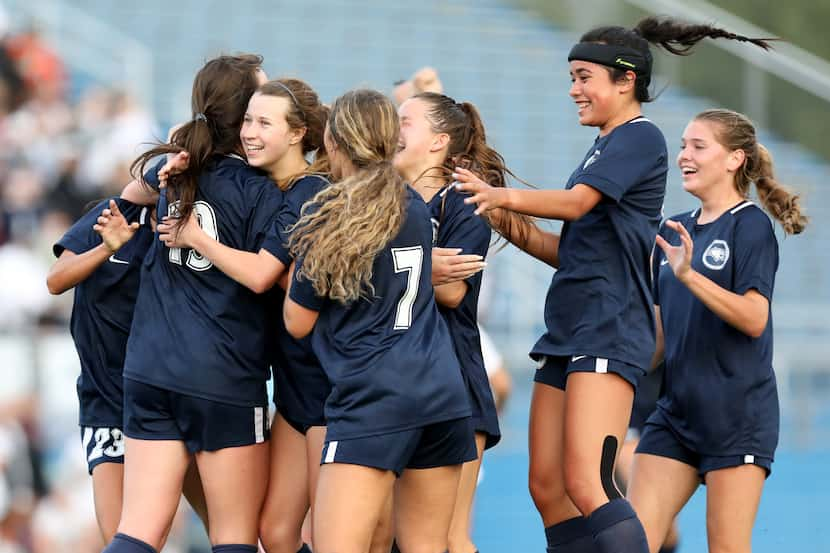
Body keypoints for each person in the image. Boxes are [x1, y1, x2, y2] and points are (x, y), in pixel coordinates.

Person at [454, 17, 773, 553]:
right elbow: (563, 249)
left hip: (607, 328)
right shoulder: (603, 146)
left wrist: (503, 196)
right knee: (548, 488)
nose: (574, 89)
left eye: (584, 77)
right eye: (573, 77)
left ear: (625, 80)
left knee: (588, 484)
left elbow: (576, 204)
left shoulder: (639, 137)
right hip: (569, 326)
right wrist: (487, 201)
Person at [96, 54, 280, 553]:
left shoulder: (171, 174)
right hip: (222, 375)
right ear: (244, 118)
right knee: (234, 539)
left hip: (151, 367)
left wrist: (166, 164)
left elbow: (129, 193)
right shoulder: (263, 190)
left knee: (137, 533)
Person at [283, 88, 476, 553]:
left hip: (373, 398)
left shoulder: (331, 215)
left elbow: (297, 322)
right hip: (441, 392)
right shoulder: (412, 204)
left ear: (332, 141)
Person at [157, 77, 331, 553]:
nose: (249, 132)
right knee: (274, 533)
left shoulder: (310, 192)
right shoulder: (262, 187)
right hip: (291, 380)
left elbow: (263, 275)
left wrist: (199, 240)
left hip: (328, 382)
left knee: (345, 537)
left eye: (264, 123)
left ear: (297, 134)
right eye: (247, 120)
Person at [627, 108, 807, 553]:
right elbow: (659, 339)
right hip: (675, 415)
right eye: (683, 145)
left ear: (734, 159)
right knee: (626, 544)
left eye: (698, 146)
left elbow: (754, 318)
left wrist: (690, 277)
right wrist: (608, 375)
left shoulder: (750, 226)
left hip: (737, 417)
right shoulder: (675, 232)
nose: (684, 155)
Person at [394, 91, 517, 553]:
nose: (395, 128)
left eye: (407, 120)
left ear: (438, 141)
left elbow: (452, 289)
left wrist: (396, 263)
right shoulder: (388, 197)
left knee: (447, 538)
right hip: (397, 378)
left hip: (456, 379)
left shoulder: (461, 201)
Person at [46, 198, 208, 543]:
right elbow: (56, 280)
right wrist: (106, 248)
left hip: (173, 399)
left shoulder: (199, 227)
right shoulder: (114, 214)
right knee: (123, 538)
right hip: (108, 401)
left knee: (232, 534)